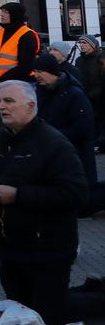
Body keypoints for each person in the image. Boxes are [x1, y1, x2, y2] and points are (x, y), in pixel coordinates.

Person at [0, 81, 90, 325]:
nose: (1, 106)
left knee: (51, 314)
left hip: (48, 245)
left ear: (31, 105)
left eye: (9, 101)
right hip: (10, 246)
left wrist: (19, 195)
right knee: (24, 305)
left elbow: (75, 194)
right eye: (0, 100)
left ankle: (96, 296)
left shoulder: (54, 144)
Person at [31, 53, 100, 208]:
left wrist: (52, 136)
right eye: (35, 71)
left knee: (84, 202)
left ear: (52, 72)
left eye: (41, 71)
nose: (37, 75)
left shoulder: (74, 93)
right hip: (54, 152)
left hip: (76, 152)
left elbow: (83, 129)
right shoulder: (41, 92)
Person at [0, 1, 40, 82]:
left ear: (15, 15)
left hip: (22, 82)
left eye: (6, 12)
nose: (2, 14)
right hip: (1, 81)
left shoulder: (26, 35)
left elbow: (26, 65)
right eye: (2, 11)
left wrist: (2, 79)